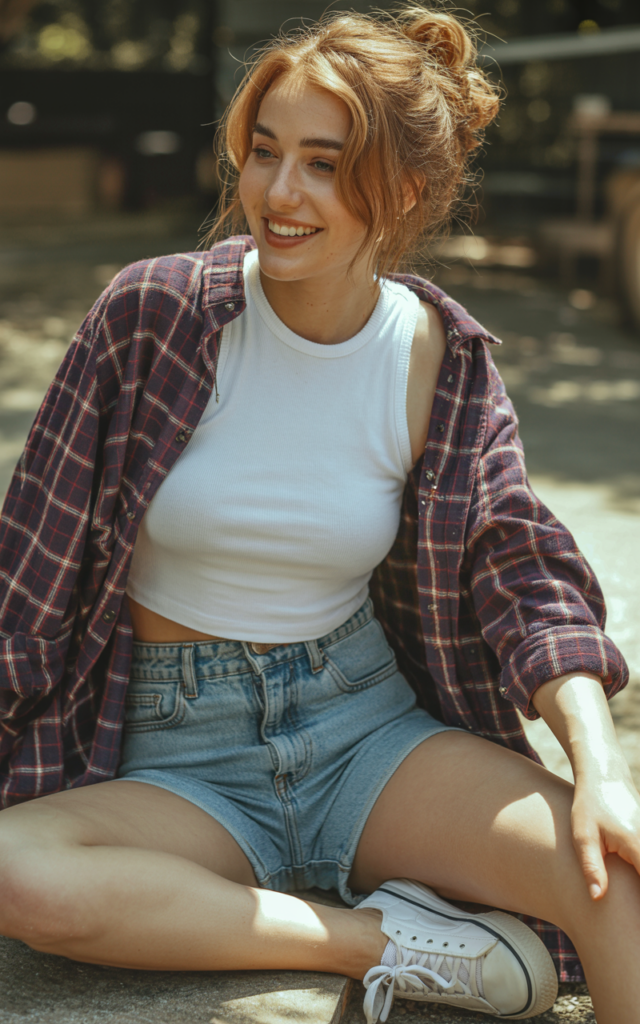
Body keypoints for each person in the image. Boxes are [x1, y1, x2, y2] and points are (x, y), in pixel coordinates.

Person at [0, 6, 638, 1022]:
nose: (278, 193)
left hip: (362, 726)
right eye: (264, 153)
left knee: (611, 872)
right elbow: (25, 576)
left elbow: (519, 568)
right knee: (19, 876)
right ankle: (393, 939)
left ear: (405, 190)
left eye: (324, 164)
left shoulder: (437, 352)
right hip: (178, 752)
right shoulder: (150, 317)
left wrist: (596, 768)